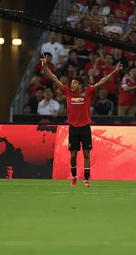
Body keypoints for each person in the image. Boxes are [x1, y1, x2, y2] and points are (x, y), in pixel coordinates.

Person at [41, 54, 123, 187]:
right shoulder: (67, 91)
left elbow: (103, 81)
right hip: (73, 127)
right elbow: (54, 79)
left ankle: (86, 180)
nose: (71, 85)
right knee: (73, 156)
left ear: (79, 85)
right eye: (72, 83)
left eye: (74, 83)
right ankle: (74, 177)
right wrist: (45, 67)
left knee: (86, 154)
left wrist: (114, 71)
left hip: (85, 127)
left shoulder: (88, 91)